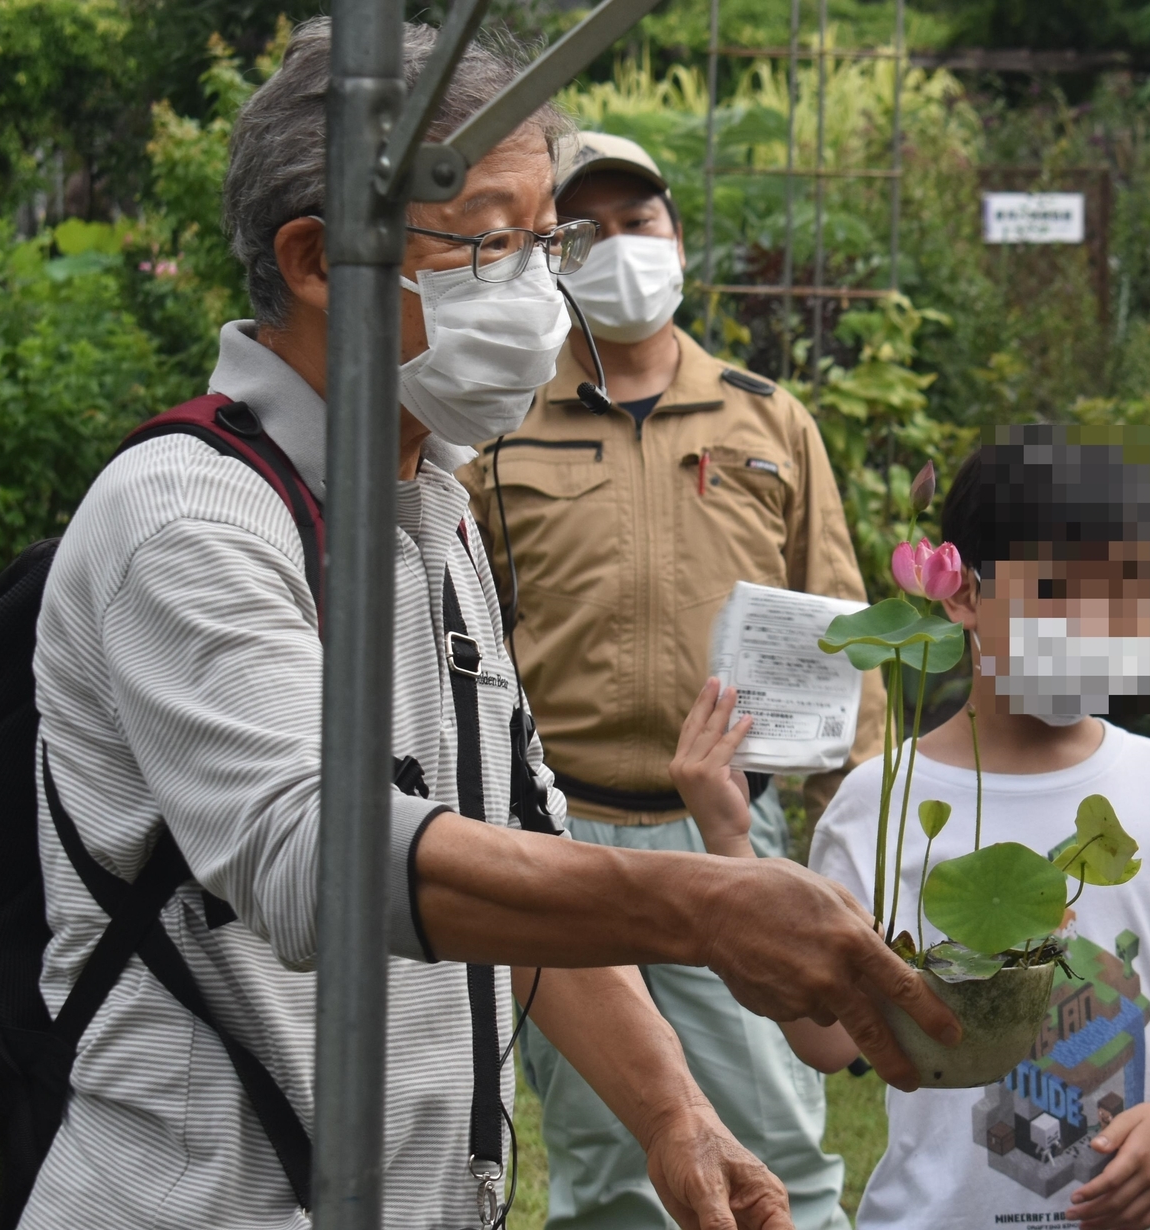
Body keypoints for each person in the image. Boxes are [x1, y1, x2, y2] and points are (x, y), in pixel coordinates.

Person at [24, 20, 959, 1230]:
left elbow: (507, 854)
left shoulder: (434, 512)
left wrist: (674, 1115)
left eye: (546, 241)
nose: (545, 287)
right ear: (317, 260)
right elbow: (315, 855)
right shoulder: (187, 513)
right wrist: (703, 907)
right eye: (498, 245)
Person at [671, 427, 1150, 1230]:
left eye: (1122, 595)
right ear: (961, 594)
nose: (1094, 626)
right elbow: (828, 1044)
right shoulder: (877, 802)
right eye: (1058, 592)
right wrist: (731, 846)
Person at [458, 133, 887, 1230]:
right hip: (563, 836)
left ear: (678, 238)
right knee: (607, 1169)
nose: (619, 248)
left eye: (638, 223)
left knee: (780, 1146)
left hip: (730, 833)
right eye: (586, 230)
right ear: (552, 255)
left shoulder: (769, 421)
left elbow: (848, 635)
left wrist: (863, 837)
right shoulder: (499, 433)